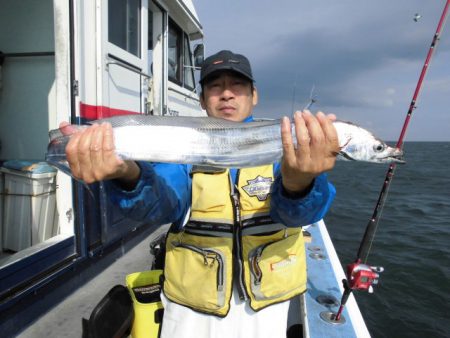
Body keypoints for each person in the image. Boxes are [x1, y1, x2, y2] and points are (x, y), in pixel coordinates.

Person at [63, 50, 339, 338]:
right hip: (190, 310)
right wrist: (127, 174)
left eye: (237, 86)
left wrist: (300, 181)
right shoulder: (185, 151)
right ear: (202, 99)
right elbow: (161, 205)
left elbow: (300, 215)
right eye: (215, 86)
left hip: (266, 308)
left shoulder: (283, 147)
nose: (227, 94)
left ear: (254, 95)